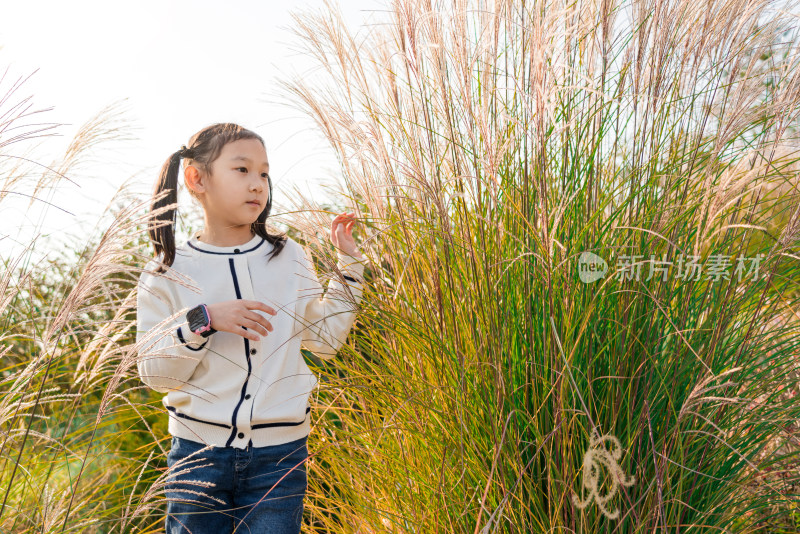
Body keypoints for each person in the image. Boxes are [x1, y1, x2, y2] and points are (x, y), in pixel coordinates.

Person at [135, 122, 367, 534]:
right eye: (242, 170)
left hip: (279, 459)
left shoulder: (289, 257)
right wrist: (202, 320)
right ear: (197, 178)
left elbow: (325, 340)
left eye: (264, 173)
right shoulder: (167, 271)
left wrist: (349, 267)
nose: (257, 184)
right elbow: (155, 375)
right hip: (196, 457)